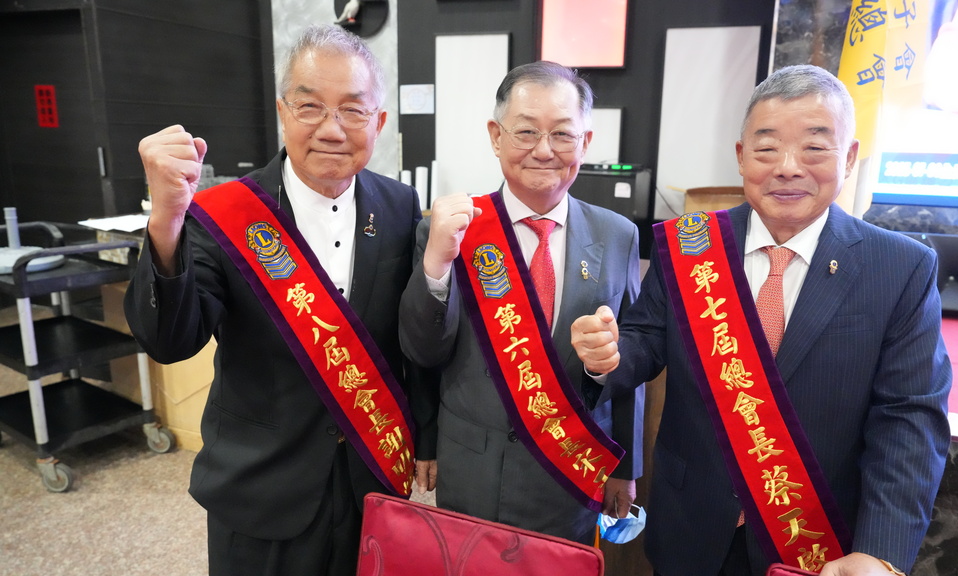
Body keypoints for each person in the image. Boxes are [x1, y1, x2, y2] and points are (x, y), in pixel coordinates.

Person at [572, 65, 952, 575]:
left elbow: (910, 419)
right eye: (768, 148)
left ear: (850, 157)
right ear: (741, 156)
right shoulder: (689, 246)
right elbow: (646, 340)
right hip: (690, 528)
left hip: (816, 542)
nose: (788, 168)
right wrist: (608, 356)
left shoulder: (900, 267)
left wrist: (880, 553)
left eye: (814, 148)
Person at [124, 24, 428, 576]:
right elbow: (170, 341)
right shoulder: (222, 214)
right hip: (261, 489)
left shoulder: (401, 205)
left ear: (379, 123)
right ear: (284, 112)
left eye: (353, 110)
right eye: (310, 107)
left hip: (371, 480)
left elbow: (410, 339)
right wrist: (165, 221)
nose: (332, 129)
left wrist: (425, 439)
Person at [398, 61, 644, 545]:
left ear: (585, 143)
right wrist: (436, 266)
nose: (544, 150)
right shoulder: (451, 230)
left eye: (563, 134)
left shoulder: (619, 236)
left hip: (570, 473)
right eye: (526, 131)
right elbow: (422, 353)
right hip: (472, 466)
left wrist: (625, 465)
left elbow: (630, 361)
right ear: (496, 136)